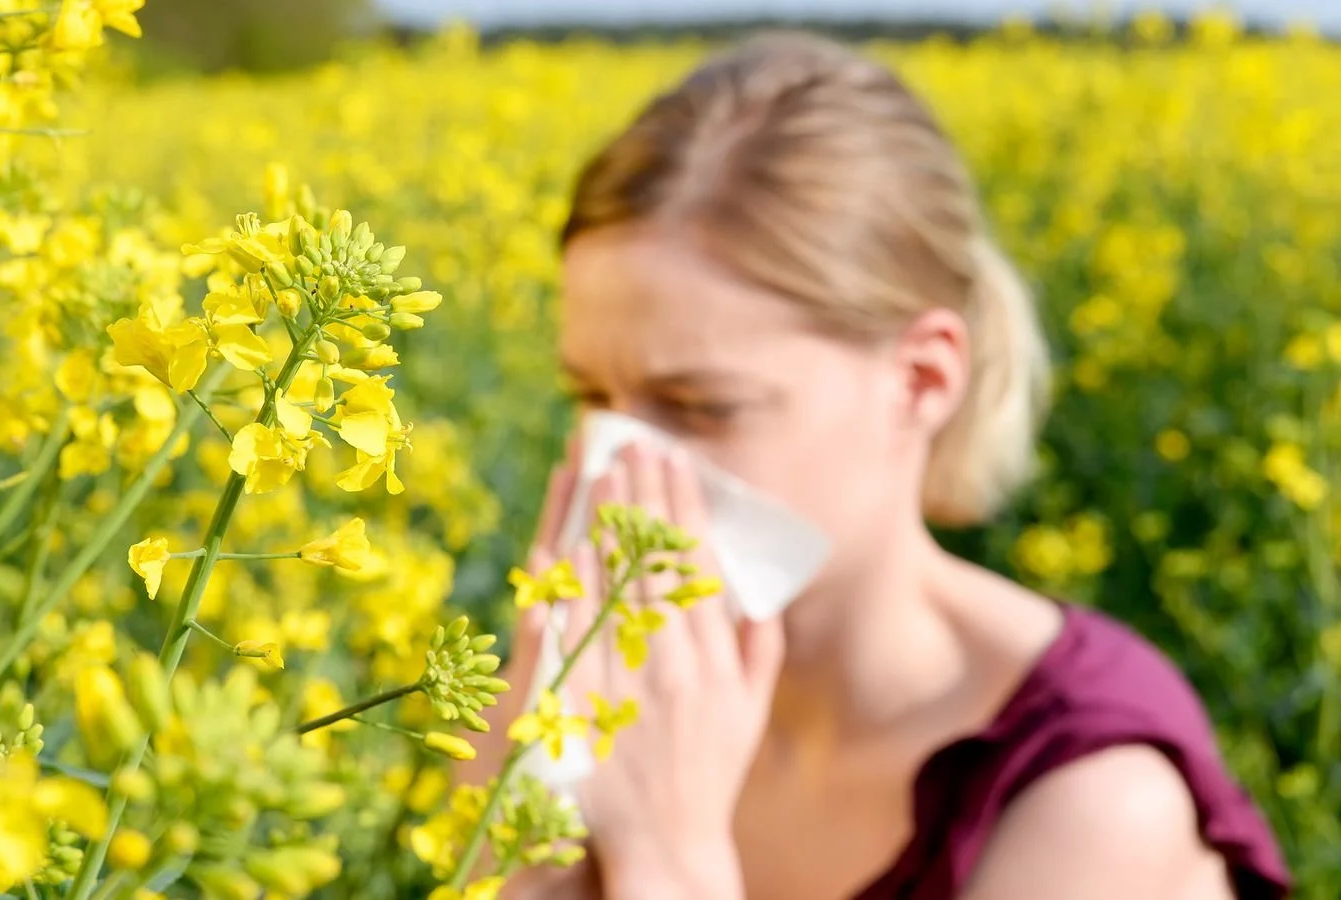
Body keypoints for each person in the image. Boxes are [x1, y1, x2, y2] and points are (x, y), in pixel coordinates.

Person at [455, 31, 1291, 900]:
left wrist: (666, 857)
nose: (618, 466)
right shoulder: (616, 704)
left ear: (921, 381)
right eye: (591, 395)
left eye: (703, 406)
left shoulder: (1091, 797)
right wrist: (533, 802)